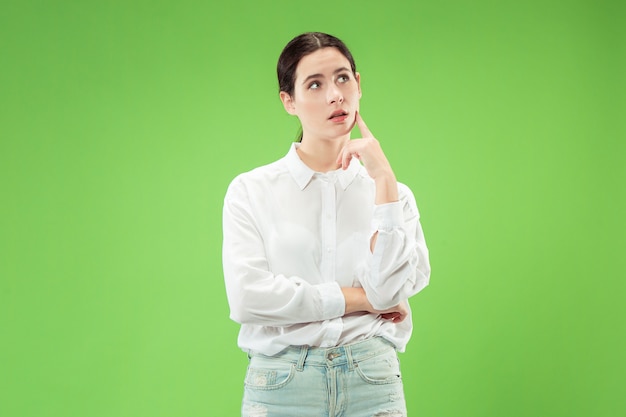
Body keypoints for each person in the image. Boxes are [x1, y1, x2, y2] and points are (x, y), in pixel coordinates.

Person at [222, 32, 430, 417]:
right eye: (314, 84)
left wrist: (383, 180)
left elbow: (389, 289)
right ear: (289, 101)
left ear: (358, 84)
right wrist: (362, 299)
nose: (335, 95)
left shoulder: (394, 196)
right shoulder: (251, 191)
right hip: (282, 385)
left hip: (372, 379)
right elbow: (249, 297)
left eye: (343, 78)